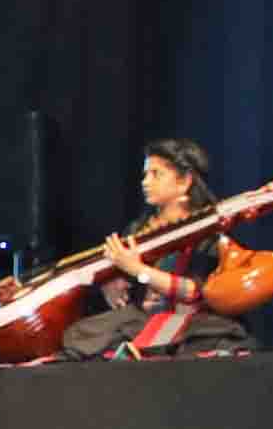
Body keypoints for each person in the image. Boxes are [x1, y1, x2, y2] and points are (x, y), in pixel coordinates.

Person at [46, 139, 252, 361]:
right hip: (142, 319)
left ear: (184, 182)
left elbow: (195, 291)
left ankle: (141, 352)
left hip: (192, 319)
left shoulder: (209, 230)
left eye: (156, 174)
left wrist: (138, 271)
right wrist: (111, 285)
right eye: (145, 175)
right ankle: (139, 350)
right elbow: (122, 279)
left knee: (216, 333)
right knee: (79, 334)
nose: (146, 182)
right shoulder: (138, 229)